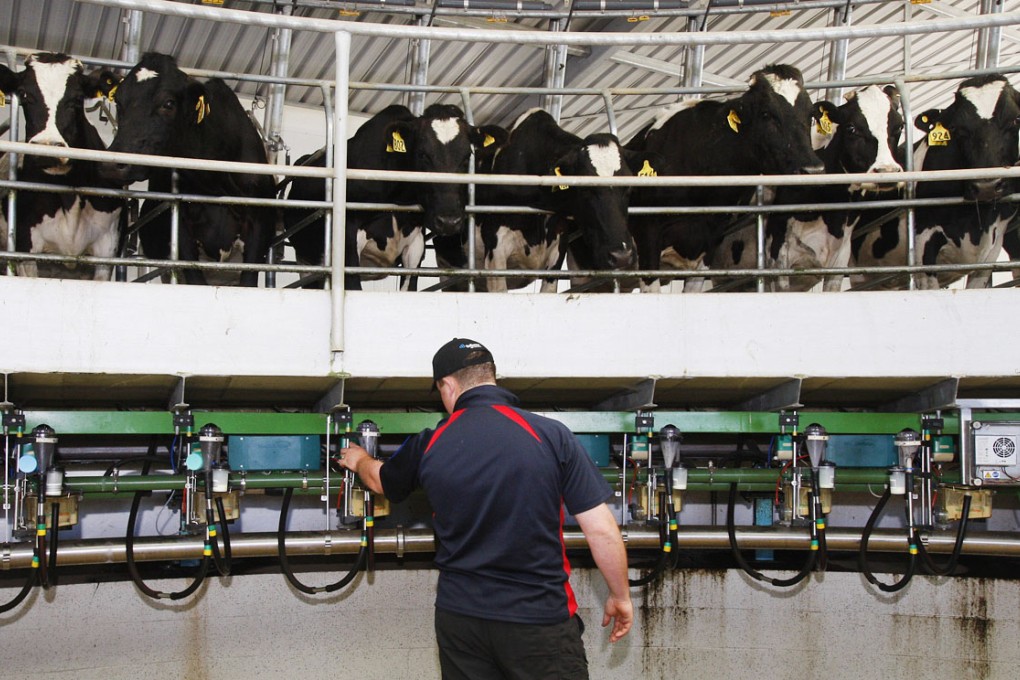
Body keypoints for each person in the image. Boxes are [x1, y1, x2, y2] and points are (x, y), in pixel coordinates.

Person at [339, 337, 632, 680]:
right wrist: (619, 595)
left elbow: (380, 481)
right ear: (490, 376)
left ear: (447, 385)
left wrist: (359, 458)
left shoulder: (431, 441)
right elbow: (601, 530)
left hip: (460, 622)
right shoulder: (551, 435)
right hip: (537, 620)